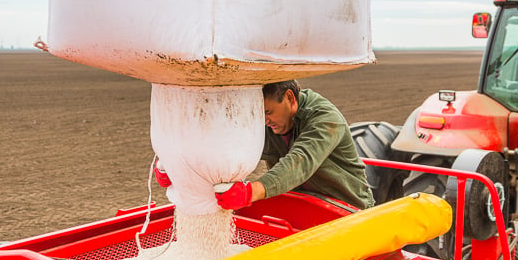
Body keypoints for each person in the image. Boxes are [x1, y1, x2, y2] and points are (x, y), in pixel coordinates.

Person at [156, 80, 374, 211]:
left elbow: (299, 162)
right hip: (300, 204)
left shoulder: (325, 119)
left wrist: (251, 193)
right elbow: (227, 144)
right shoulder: (269, 123)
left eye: (268, 112)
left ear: (290, 98)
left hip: (346, 208)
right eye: (257, 115)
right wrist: (177, 165)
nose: (264, 122)